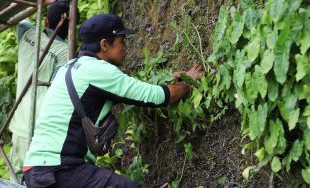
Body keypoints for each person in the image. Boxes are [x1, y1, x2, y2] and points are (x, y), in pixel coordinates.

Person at [23, 14, 203, 188]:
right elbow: (156, 96)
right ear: (104, 45)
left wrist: (174, 82)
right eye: (121, 41)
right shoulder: (98, 71)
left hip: (37, 169)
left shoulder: (68, 68)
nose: (125, 47)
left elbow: (131, 90)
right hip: (58, 170)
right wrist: (188, 83)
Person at [9, 0, 76, 181]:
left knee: (15, 180)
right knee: (37, 181)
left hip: (18, 124)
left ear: (46, 21)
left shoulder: (27, 34)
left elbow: (17, 16)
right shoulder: (66, 54)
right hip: (41, 132)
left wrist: (43, 3)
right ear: (72, 26)